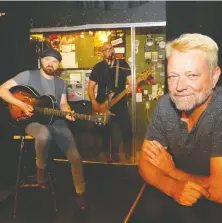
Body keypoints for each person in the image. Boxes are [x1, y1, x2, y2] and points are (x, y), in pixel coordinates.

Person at [131, 33, 222, 223]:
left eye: (192, 75)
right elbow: (145, 165)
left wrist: (172, 172)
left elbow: (220, 191)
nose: (179, 87)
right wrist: (173, 188)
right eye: (173, 76)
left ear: (214, 76)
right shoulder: (165, 105)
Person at [0, 48, 87, 210]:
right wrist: (21, 104)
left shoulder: (60, 83)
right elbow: (1, 90)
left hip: (57, 122)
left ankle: (80, 193)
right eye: (48, 59)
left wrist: (67, 112)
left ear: (58, 65)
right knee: (44, 136)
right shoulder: (28, 75)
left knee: (75, 157)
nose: (50, 64)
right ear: (41, 60)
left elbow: (62, 104)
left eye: (55, 62)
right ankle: (41, 172)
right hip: (32, 121)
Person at [88, 42, 133, 163]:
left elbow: (131, 82)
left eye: (110, 48)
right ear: (102, 53)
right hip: (102, 103)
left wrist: (131, 87)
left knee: (127, 129)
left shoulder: (122, 64)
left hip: (120, 103)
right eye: (106, 49)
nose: (109, 51)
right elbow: (90, 87)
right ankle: (107, 156)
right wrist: (94, 103)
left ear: (113, 49)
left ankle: (128, 155)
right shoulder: (98, 67)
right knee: (105, 132)